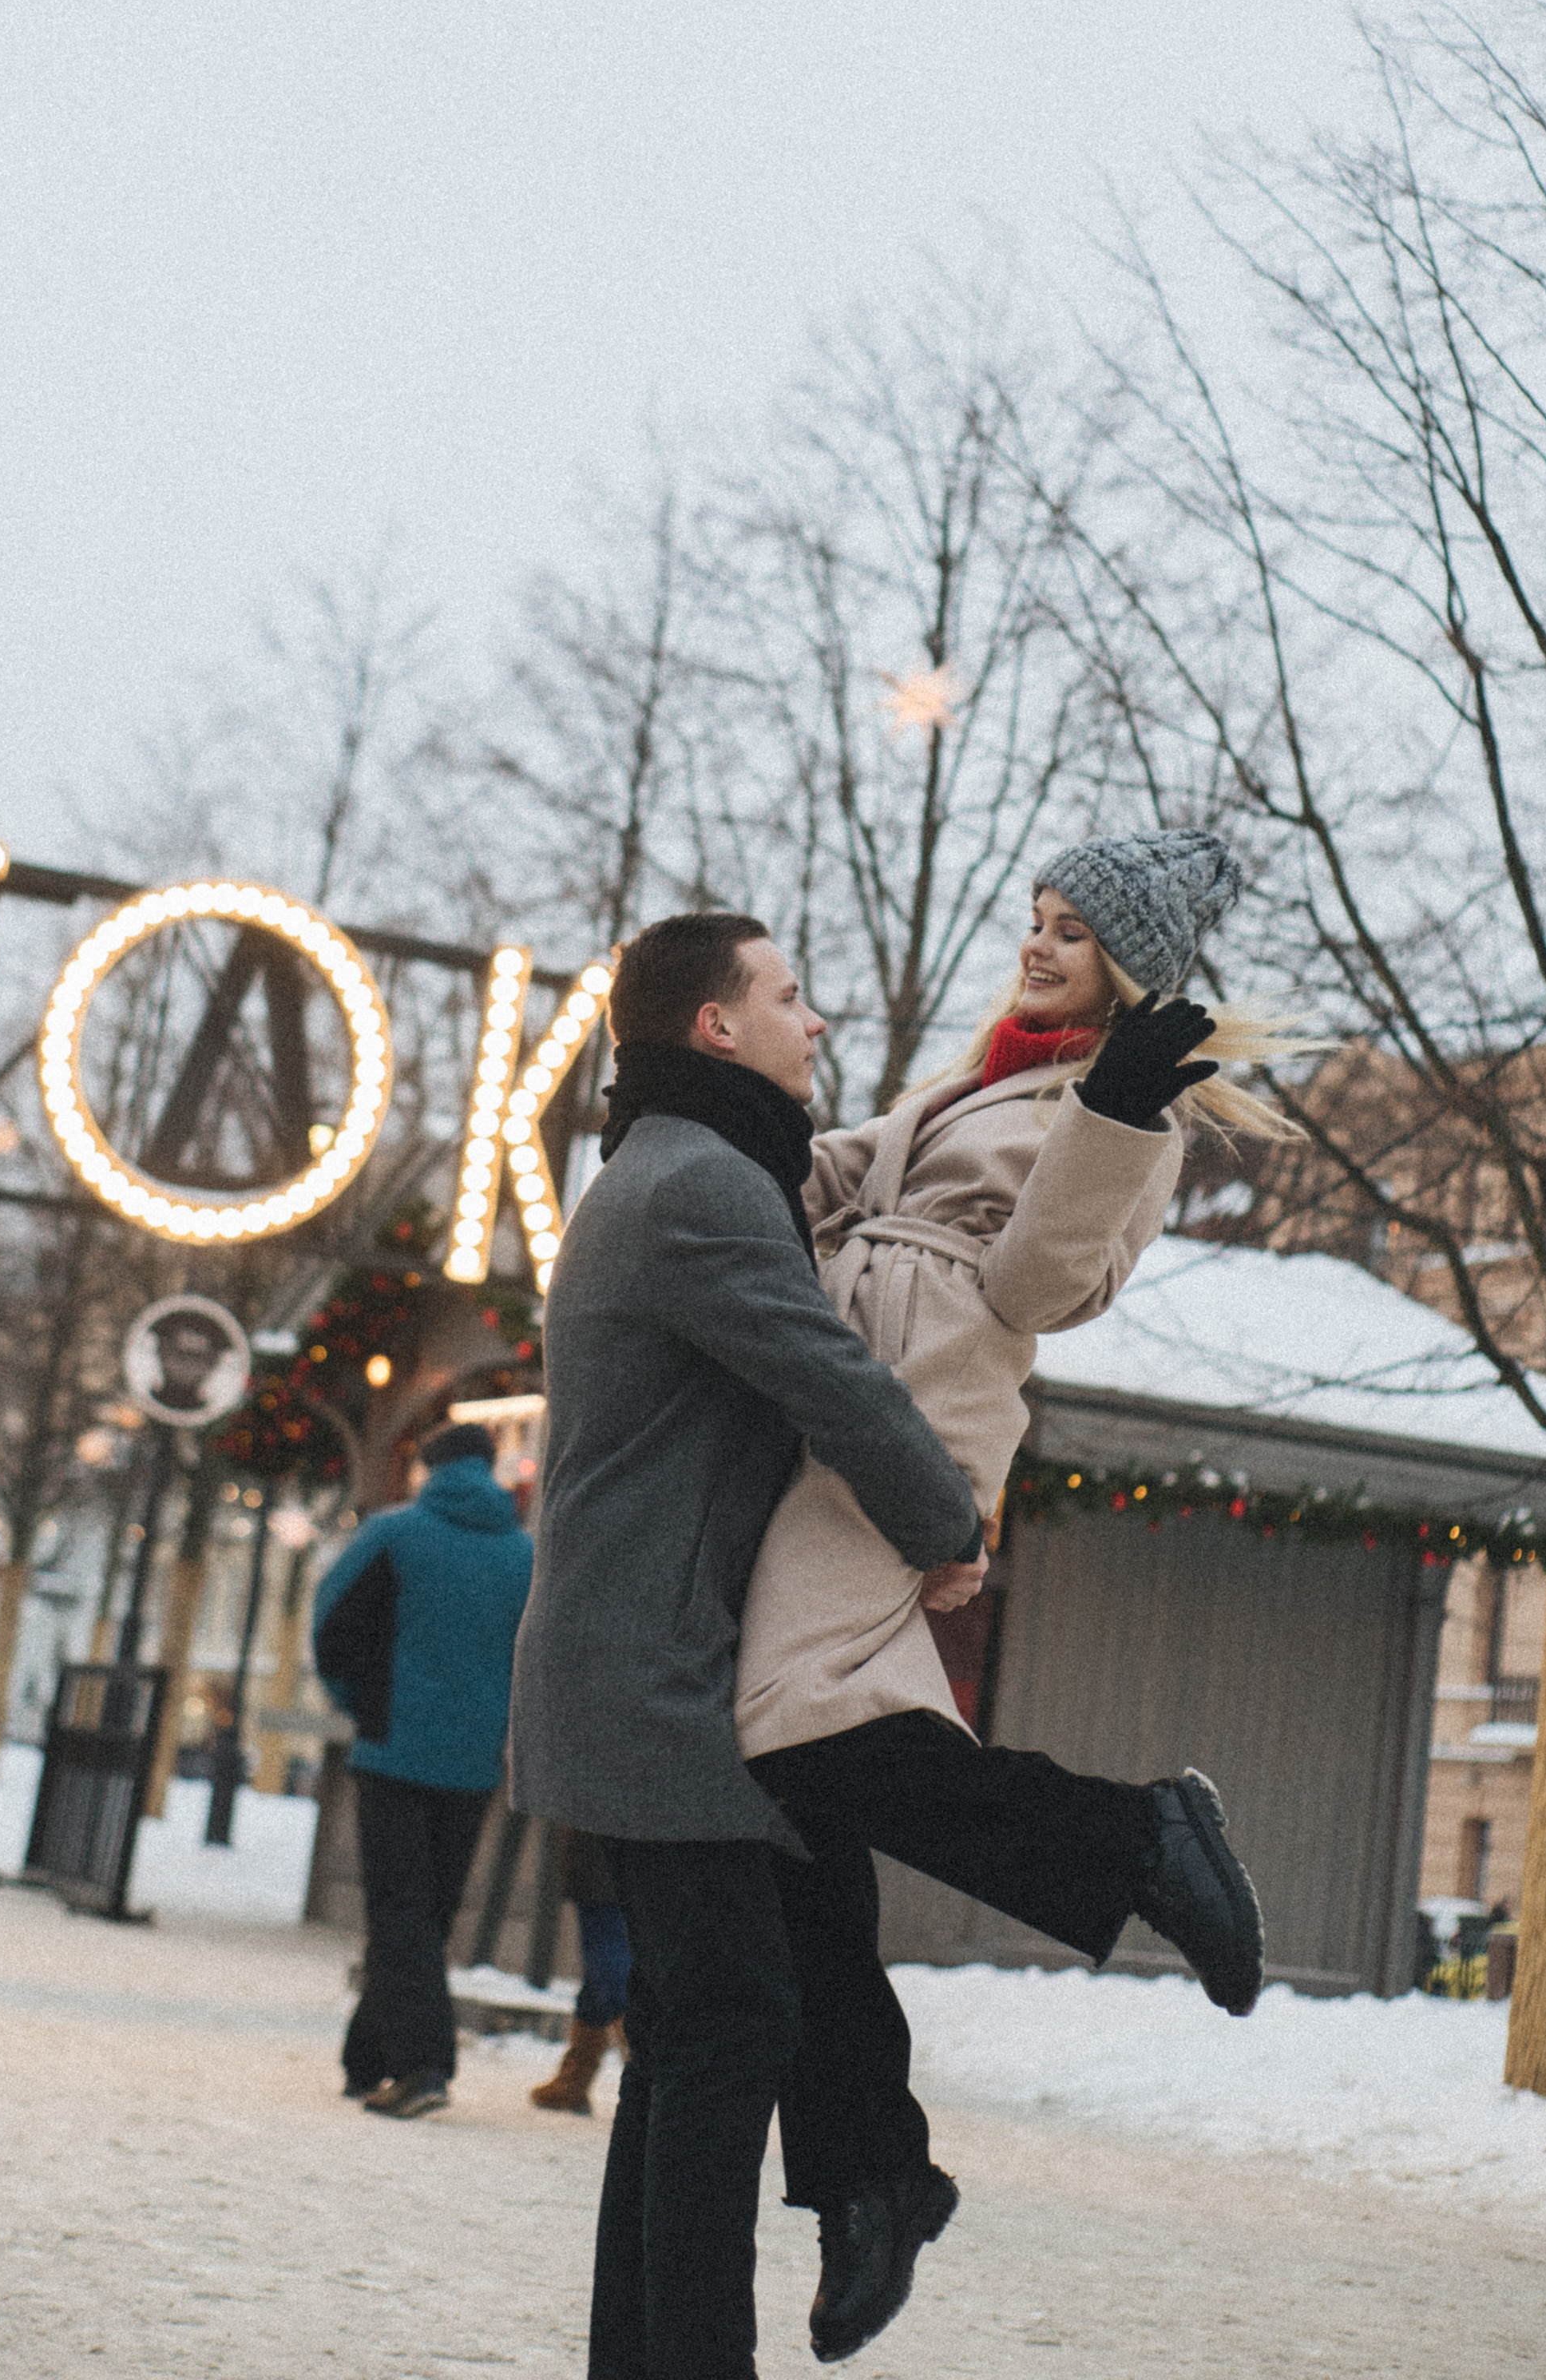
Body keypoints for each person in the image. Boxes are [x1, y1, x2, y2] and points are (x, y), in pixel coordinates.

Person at [736, 830, 1291, 2358]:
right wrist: (716, 1125)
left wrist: (1113, 1115)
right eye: (1035, 921)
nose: (1039, 946)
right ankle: (872, 2178)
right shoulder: (983, 1067)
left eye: (1072, 931)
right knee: (798, 1804)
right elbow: (839, 1171)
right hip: (838, 1395)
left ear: (1130, 964)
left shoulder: (1134, 1110)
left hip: (912, 1413)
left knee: (789, 1740)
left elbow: (1042, 1287)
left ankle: (1135, 1836)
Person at [509, 910, 984, 2380]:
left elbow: (844, 1177)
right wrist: (944, 1525)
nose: (816, 1020)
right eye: (789, 996)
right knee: (731, 2030)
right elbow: (833, 1380)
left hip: (637, 1669)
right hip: (656, 1682)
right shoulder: (700, 1190)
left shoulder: (682, 1169)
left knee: (693, 2039)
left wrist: (1005, 1072)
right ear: (716, 1028)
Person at [314, 1419, 533, 2120]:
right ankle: (367, 2059)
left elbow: (332, 1627)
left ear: (430, 1469)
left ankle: (422, 2066)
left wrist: (360, 1704)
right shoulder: (522, 1556)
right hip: (473, 1764)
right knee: (427, 1912)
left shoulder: (393, 1535)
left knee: (397, 1909)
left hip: (394, 1751)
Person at [528, 1831, 632, 2114]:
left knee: (605, 1941)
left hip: (600, 1821)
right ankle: (575, 2075)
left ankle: (646, 2058)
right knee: (608, 1950)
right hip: (666, 1830)